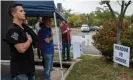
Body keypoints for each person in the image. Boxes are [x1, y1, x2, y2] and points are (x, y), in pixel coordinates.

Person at [5, 3, 35, 80]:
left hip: (29, 69)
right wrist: (29, 40)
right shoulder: (13, 29)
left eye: (23, 11)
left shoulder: (23, 28)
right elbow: (21, 49)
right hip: (20, 72)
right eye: (21, 11)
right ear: (14, 14)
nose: (24, 12)